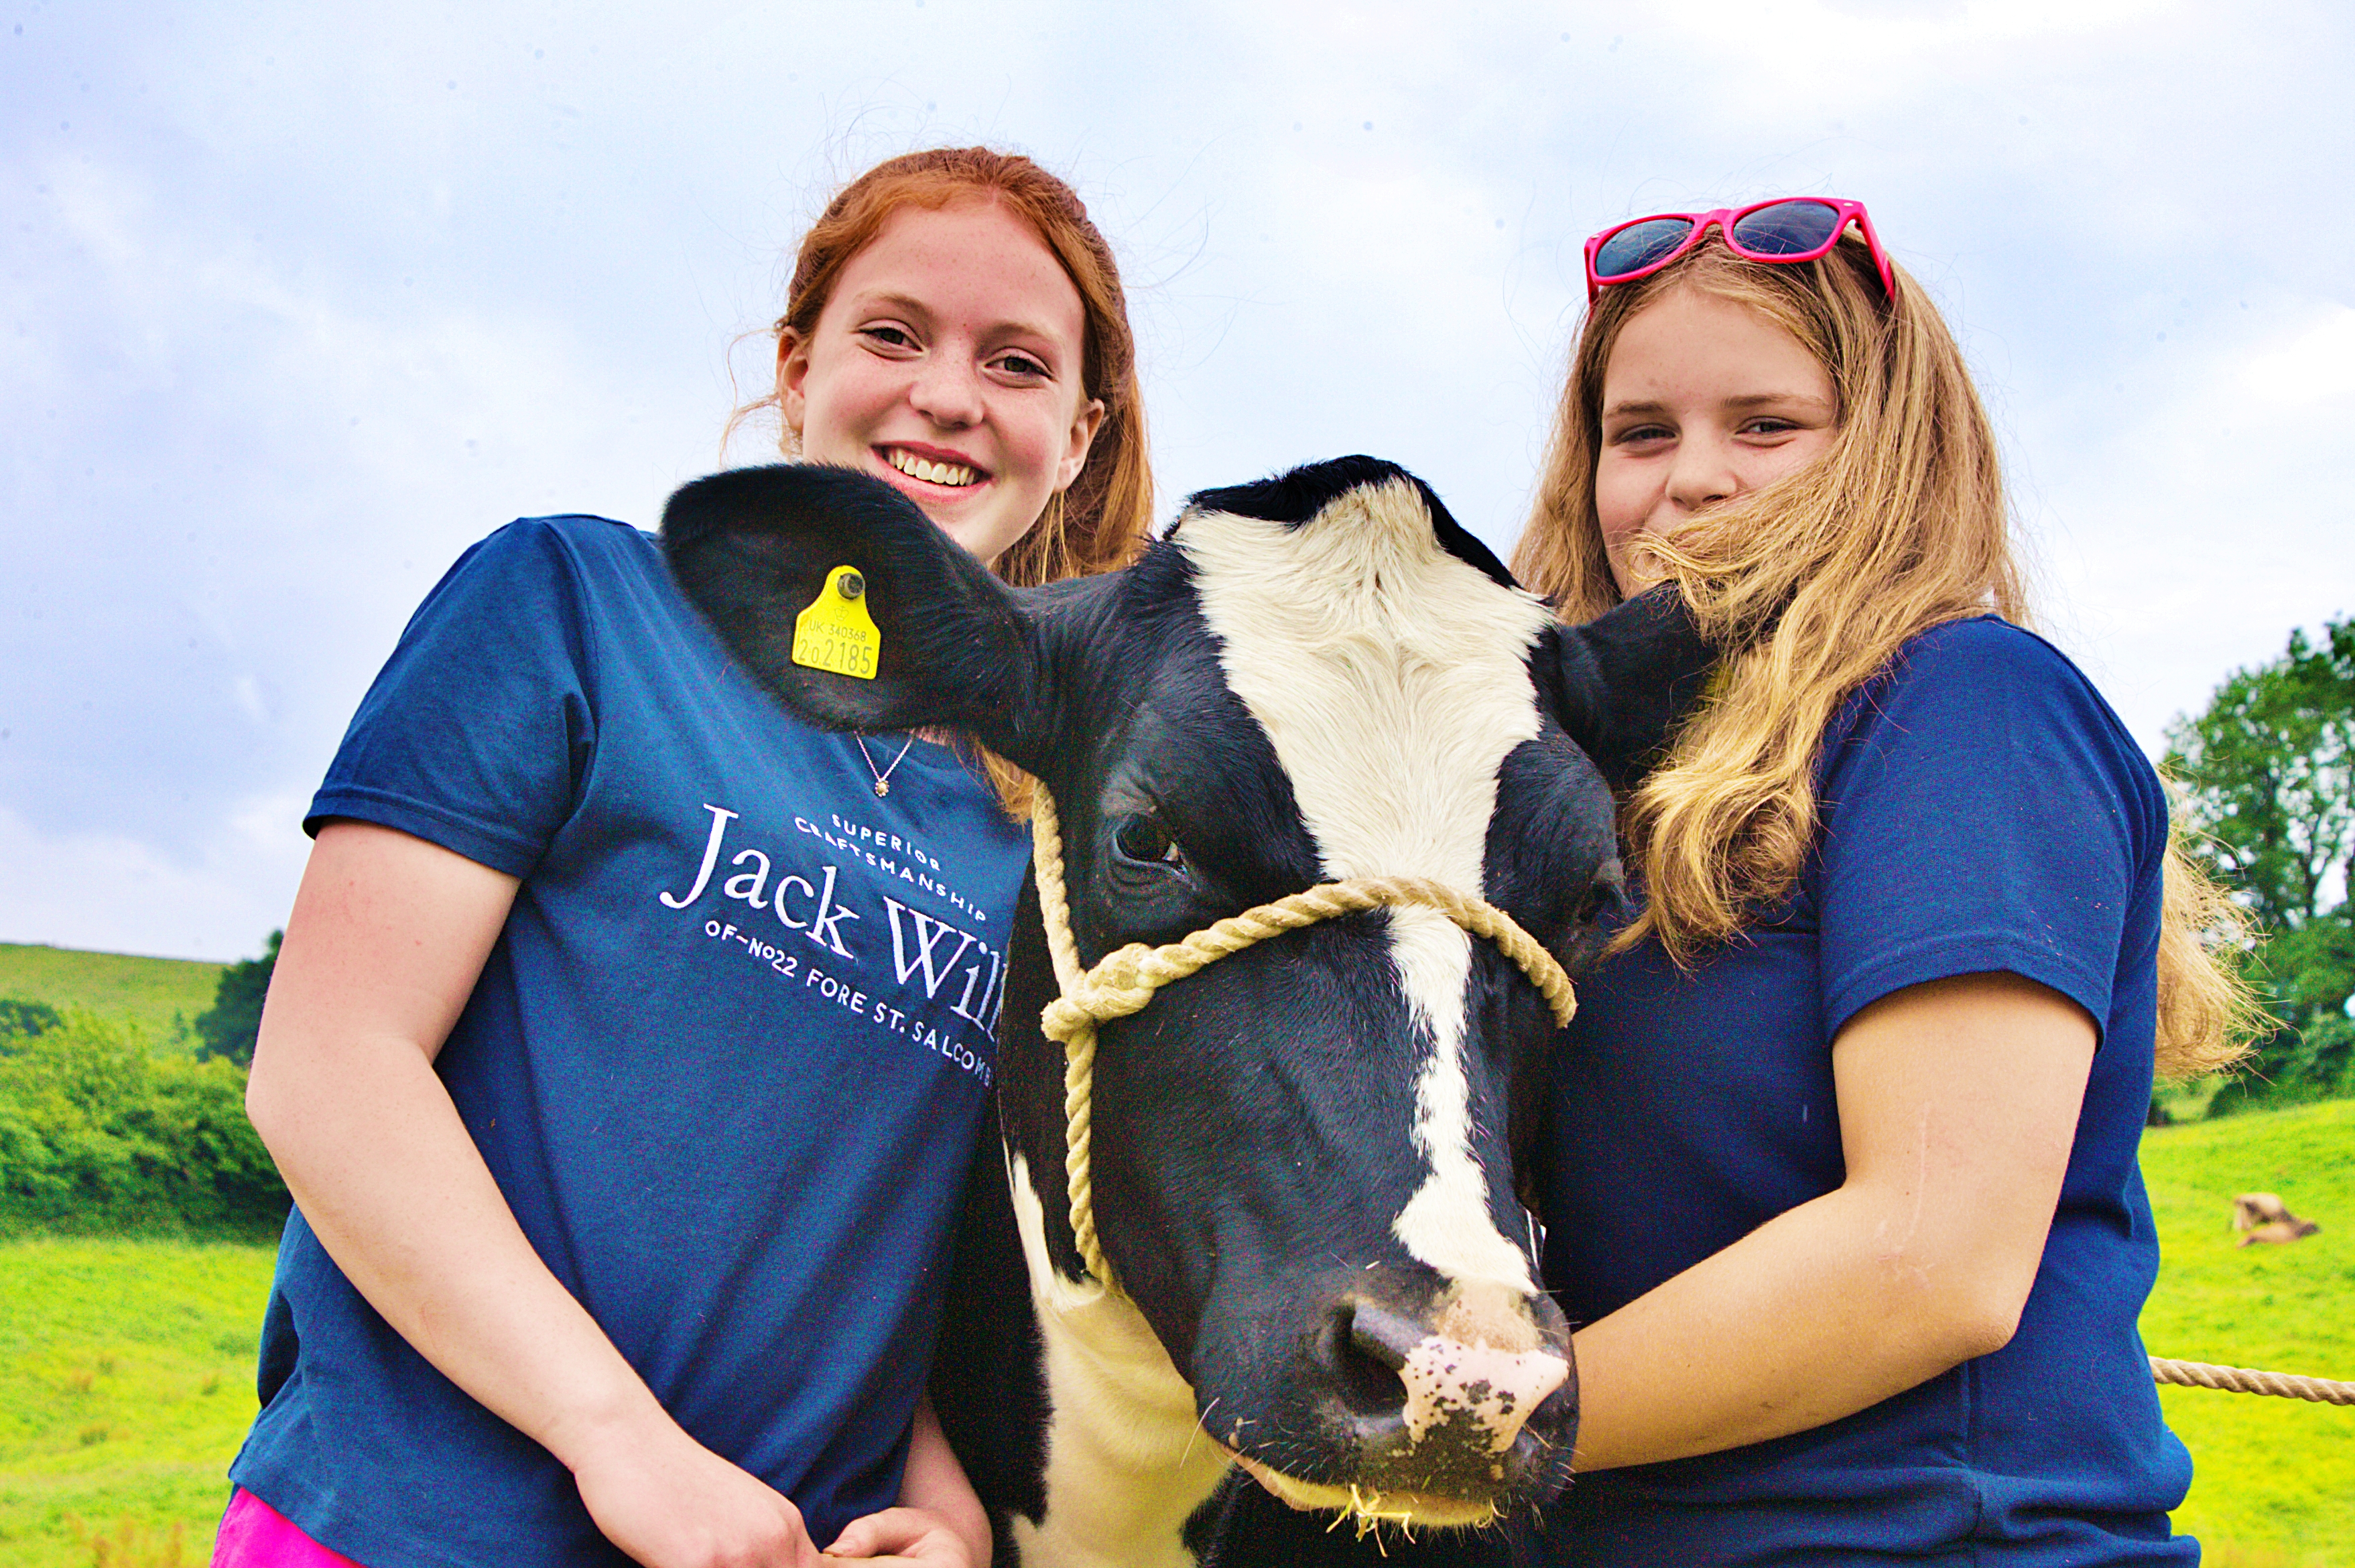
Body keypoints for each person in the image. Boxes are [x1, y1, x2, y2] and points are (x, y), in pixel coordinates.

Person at [217, 146, 1153, 1568]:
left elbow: (902, 1242)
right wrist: (619, 1441)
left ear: (1076, 439)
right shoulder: (572, 603)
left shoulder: (1047, 837)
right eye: (892, 334)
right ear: (795, 367)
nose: (948, 395)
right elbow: (327, 1066)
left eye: (1016, 364)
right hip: (404, 1524)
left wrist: (946, 1513)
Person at [1509, 200, 2253, 1565]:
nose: (1690, 480)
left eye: (1765, 426)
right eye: (1640, 433)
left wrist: (1470, 1425)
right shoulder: (1577, 793)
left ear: (1887, 453)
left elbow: (1929, 1258)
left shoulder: (1959, 705)